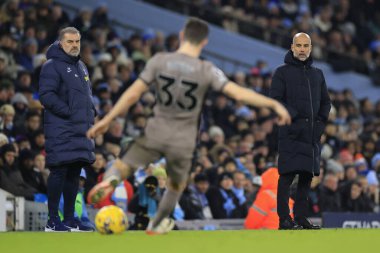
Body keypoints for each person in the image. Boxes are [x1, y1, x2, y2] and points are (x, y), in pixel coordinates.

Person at [86, 17, 291, 235]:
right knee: (176, 185)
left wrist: (107, 120)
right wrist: (273, 104)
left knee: (124, 164)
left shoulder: (160, 60)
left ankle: (111, 179)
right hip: (184, 138)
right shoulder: (207, 69)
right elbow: (238, 93)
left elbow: (133, 94)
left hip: (157, 128)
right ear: (204, 42)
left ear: (182, 35)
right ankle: (158, 222)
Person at [270, 32, 331, 230]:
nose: (302, 49)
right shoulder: (281, 72)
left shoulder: (318, 74)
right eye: (299, 45)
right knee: (287, 177)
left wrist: (319, 125)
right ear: (292, 47)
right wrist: (296, 121)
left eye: (306, 45)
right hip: (291, 133)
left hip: (311, 136)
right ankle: (284, 219)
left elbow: (326, 103)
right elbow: (276, 101)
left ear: (311, 48)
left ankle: (301, 217)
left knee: (306, 177)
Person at [39, 27, 96, 232]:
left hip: (80, 129)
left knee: (74, 172)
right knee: (59, 170)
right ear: (61, 42)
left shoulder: (81, 66)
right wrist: (70, 113)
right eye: (70, 41)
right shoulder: (51, 66)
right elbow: (46, 95)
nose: (74, 45)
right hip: (61, 128)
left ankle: (70, 218)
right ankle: (52, 220)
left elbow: (86, 97)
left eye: (77, 41)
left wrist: (91, 113)